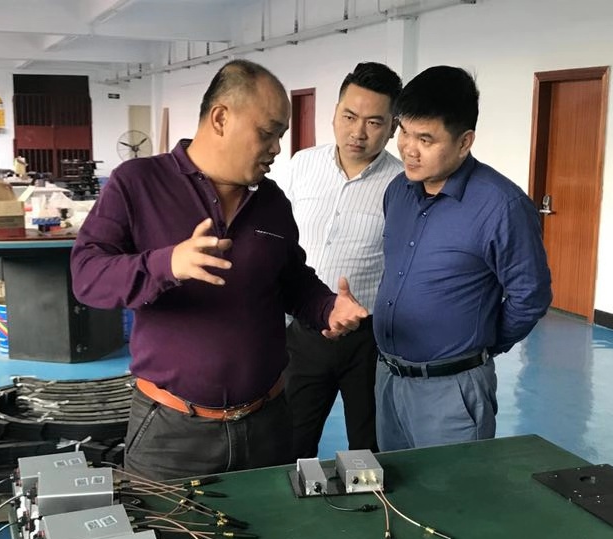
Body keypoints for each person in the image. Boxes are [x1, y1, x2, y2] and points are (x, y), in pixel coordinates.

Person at [70, 59, 368, 481]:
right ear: (221, 118)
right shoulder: (137, 183)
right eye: (267, 133)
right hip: (171, 434)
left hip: (268, 426)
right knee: (164, 526)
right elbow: (87, 275)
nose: (276, 148)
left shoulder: (272, 202)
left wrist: (327, 308)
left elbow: (292, 281)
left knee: (275, 524)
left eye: (281, 135)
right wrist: (167, 263)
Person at [373, 65, 552, 451]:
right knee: (395, 485)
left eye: (425, 138)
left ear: (464, 141)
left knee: (449, 489)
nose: (408, 148)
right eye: (404, 131)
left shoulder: (501, 206)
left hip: (451, 390)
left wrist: (481, 345)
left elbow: (530, 297)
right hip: (388, 379)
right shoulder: (398, 191)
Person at [274, 62, 402, 458]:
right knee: (292, 442)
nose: (358, 132)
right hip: (304, 331)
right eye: (349, 116)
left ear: (393, 127)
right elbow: (278, 237)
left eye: (374, 122)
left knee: (368, 448)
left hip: (368, 340)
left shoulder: (402, 184)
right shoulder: (302, 166)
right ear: (334, 114)